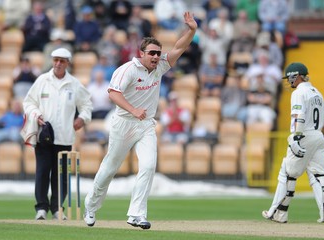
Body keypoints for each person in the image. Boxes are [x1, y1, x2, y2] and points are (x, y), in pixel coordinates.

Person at [83, 11, 197, 229]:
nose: (156, 57)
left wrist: (192, 29)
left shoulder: (160, 66)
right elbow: (113, 93)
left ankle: (136, 214)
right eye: (152, 53)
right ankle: (91, 206)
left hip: (145, 125)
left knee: (148, 166)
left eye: (158, 53)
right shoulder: (127, 70)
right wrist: (133, 109)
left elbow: (179, 47)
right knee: (109, 168)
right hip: (124, 122)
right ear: (141, 53)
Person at [262, 62, 324, 223]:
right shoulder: (317, 92)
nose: (289, 81)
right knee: (319, 174)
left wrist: (297, 137)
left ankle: (279, 212)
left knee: (287, 173)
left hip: (303, 135)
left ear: (296, 76)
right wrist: (322, 137)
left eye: (290, 77)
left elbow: (299, 116)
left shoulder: (299, 92)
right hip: (317, 136)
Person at [22, 48, 93, 220]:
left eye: (62, 61)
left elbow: (87, 105)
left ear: (67, 63)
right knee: (42, 172)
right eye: (56, 60)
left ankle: (56, 209)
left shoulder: (74, 84)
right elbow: (28, 103)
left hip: (65, 137)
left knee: (61, 176)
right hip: (44, 136)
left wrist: (82, 118)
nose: (58, 64)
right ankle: (41, 209)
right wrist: (36, 115)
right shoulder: (42, 80)